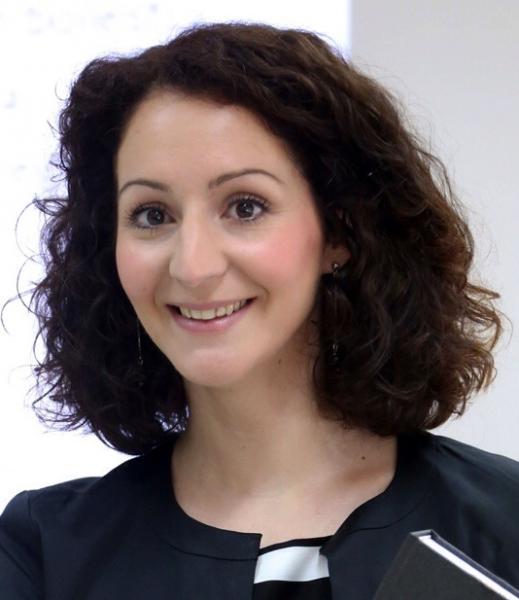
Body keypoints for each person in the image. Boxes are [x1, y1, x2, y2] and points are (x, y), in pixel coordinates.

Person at [1, 21, 518, 600]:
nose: (192, 266)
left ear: (340, 233)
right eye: (152, 215)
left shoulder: (506, 525)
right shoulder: (42, 554)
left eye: (245, 207)